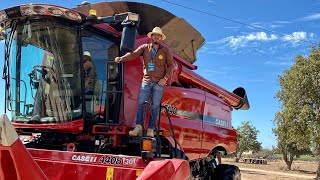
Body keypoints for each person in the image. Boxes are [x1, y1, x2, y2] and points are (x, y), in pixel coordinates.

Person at [115, 27, 174, 137]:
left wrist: (165, 79)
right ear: (151, 36)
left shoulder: (165, 50)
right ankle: (138, 127)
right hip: (146, 81)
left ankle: (150, 129)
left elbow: (171, 66)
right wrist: (121, 58)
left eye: (158, 35)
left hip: (159, 83)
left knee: (155, 106)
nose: (156, 37)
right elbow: (133, 54)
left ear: (161, 38)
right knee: (141, 103)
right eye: (154, 35)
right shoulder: (145, 48)